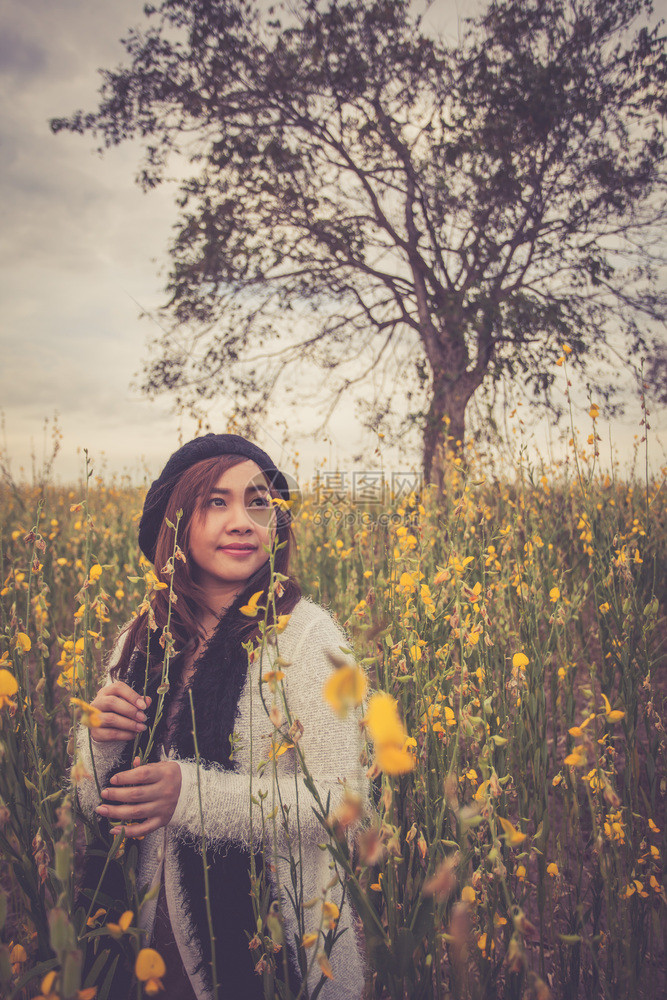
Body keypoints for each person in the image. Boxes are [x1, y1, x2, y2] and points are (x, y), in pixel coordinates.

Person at [75, 434, 367, 999]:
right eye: (216, 502)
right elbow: (97, 805)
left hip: (277, 955)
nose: (243, 521)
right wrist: (99, 743)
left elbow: (345, 801)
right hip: (143, 952)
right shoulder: (141, 640)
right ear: (175, 524)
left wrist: (190, 796)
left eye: (259, 503)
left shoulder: (310, 638)